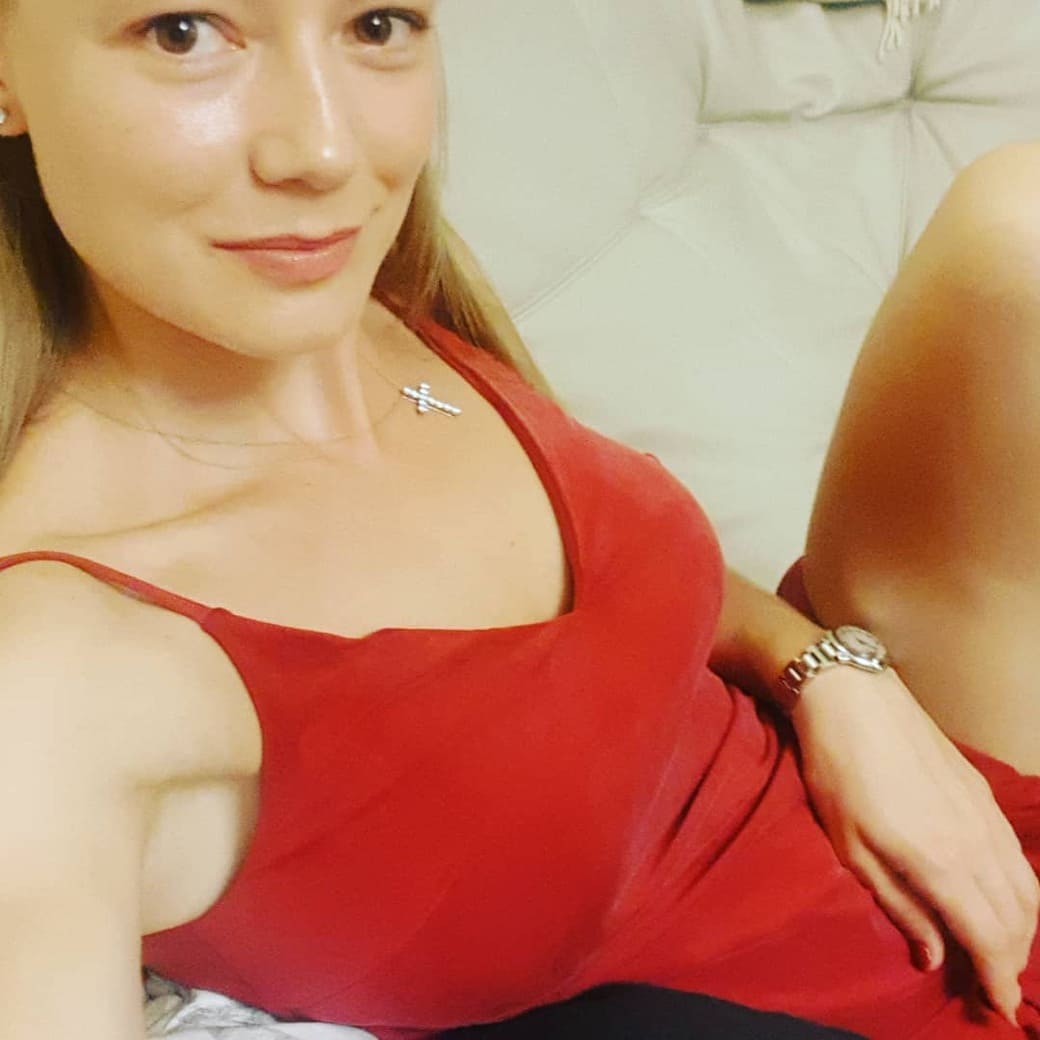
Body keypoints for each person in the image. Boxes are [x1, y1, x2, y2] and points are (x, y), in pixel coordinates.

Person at [0, 3, 1035, 1039]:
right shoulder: (51, 675)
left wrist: (828, 675)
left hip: (955, 835)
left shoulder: (352, 308)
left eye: (376, 25)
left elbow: (610, 608)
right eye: (183, 32)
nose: (325, 149)